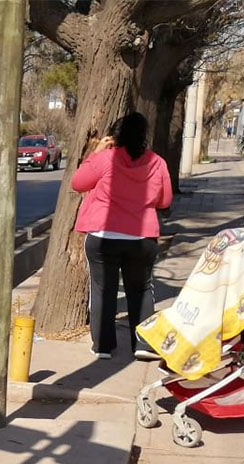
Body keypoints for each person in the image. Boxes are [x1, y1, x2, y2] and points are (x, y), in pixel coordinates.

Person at [71, 112, 172, 360]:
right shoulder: (157, 162)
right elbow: (165, 200)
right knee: (141, 290)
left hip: (103, 236)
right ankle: (143, 345)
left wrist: (96, 152)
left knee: (102, 289)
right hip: (141, 238)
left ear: (115, 136)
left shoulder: (105, 159)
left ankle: (103, 346)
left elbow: (78, 182)